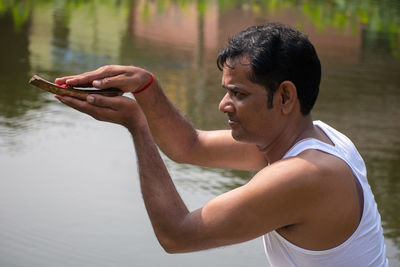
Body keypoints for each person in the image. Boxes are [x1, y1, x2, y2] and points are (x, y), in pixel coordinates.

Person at [54, 23, 388, 266]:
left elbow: (176, 235)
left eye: (239, 94)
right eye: (227, 91)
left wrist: (138, 126)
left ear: (285, 96)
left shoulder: (305, 175)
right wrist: (146, 88)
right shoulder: (319, 137)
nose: (223, 105)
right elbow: (189, 146)